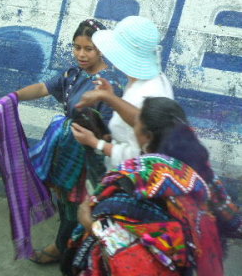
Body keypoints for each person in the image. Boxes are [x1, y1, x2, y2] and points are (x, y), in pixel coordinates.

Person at [64, 97, 242, 276]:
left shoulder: (132, 177)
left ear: (147, 136)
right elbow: (232, 219)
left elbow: (124, 255)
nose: (133, 128)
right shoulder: (200, 168)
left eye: (136, 124)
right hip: (200, 264)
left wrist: (88, 223)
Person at [16, 19, 123, 264]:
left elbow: (107, 132)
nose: (81, 54)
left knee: (78, 207)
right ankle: (71, 246)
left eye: (89, 49)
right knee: (67, 204)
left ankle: (62, 249)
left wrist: (90, 139)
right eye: (77, 47)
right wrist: (14, 97)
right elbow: (43, 88)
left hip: (88, 158)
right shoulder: (72, 74)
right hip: (67, 151)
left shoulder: (108, 85)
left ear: (101, 50)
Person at [71, 15, 174, 170]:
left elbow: (139, 155)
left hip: (131, 180)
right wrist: (111, 97)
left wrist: (95, 143)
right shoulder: (146, 79)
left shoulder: (149, 92)